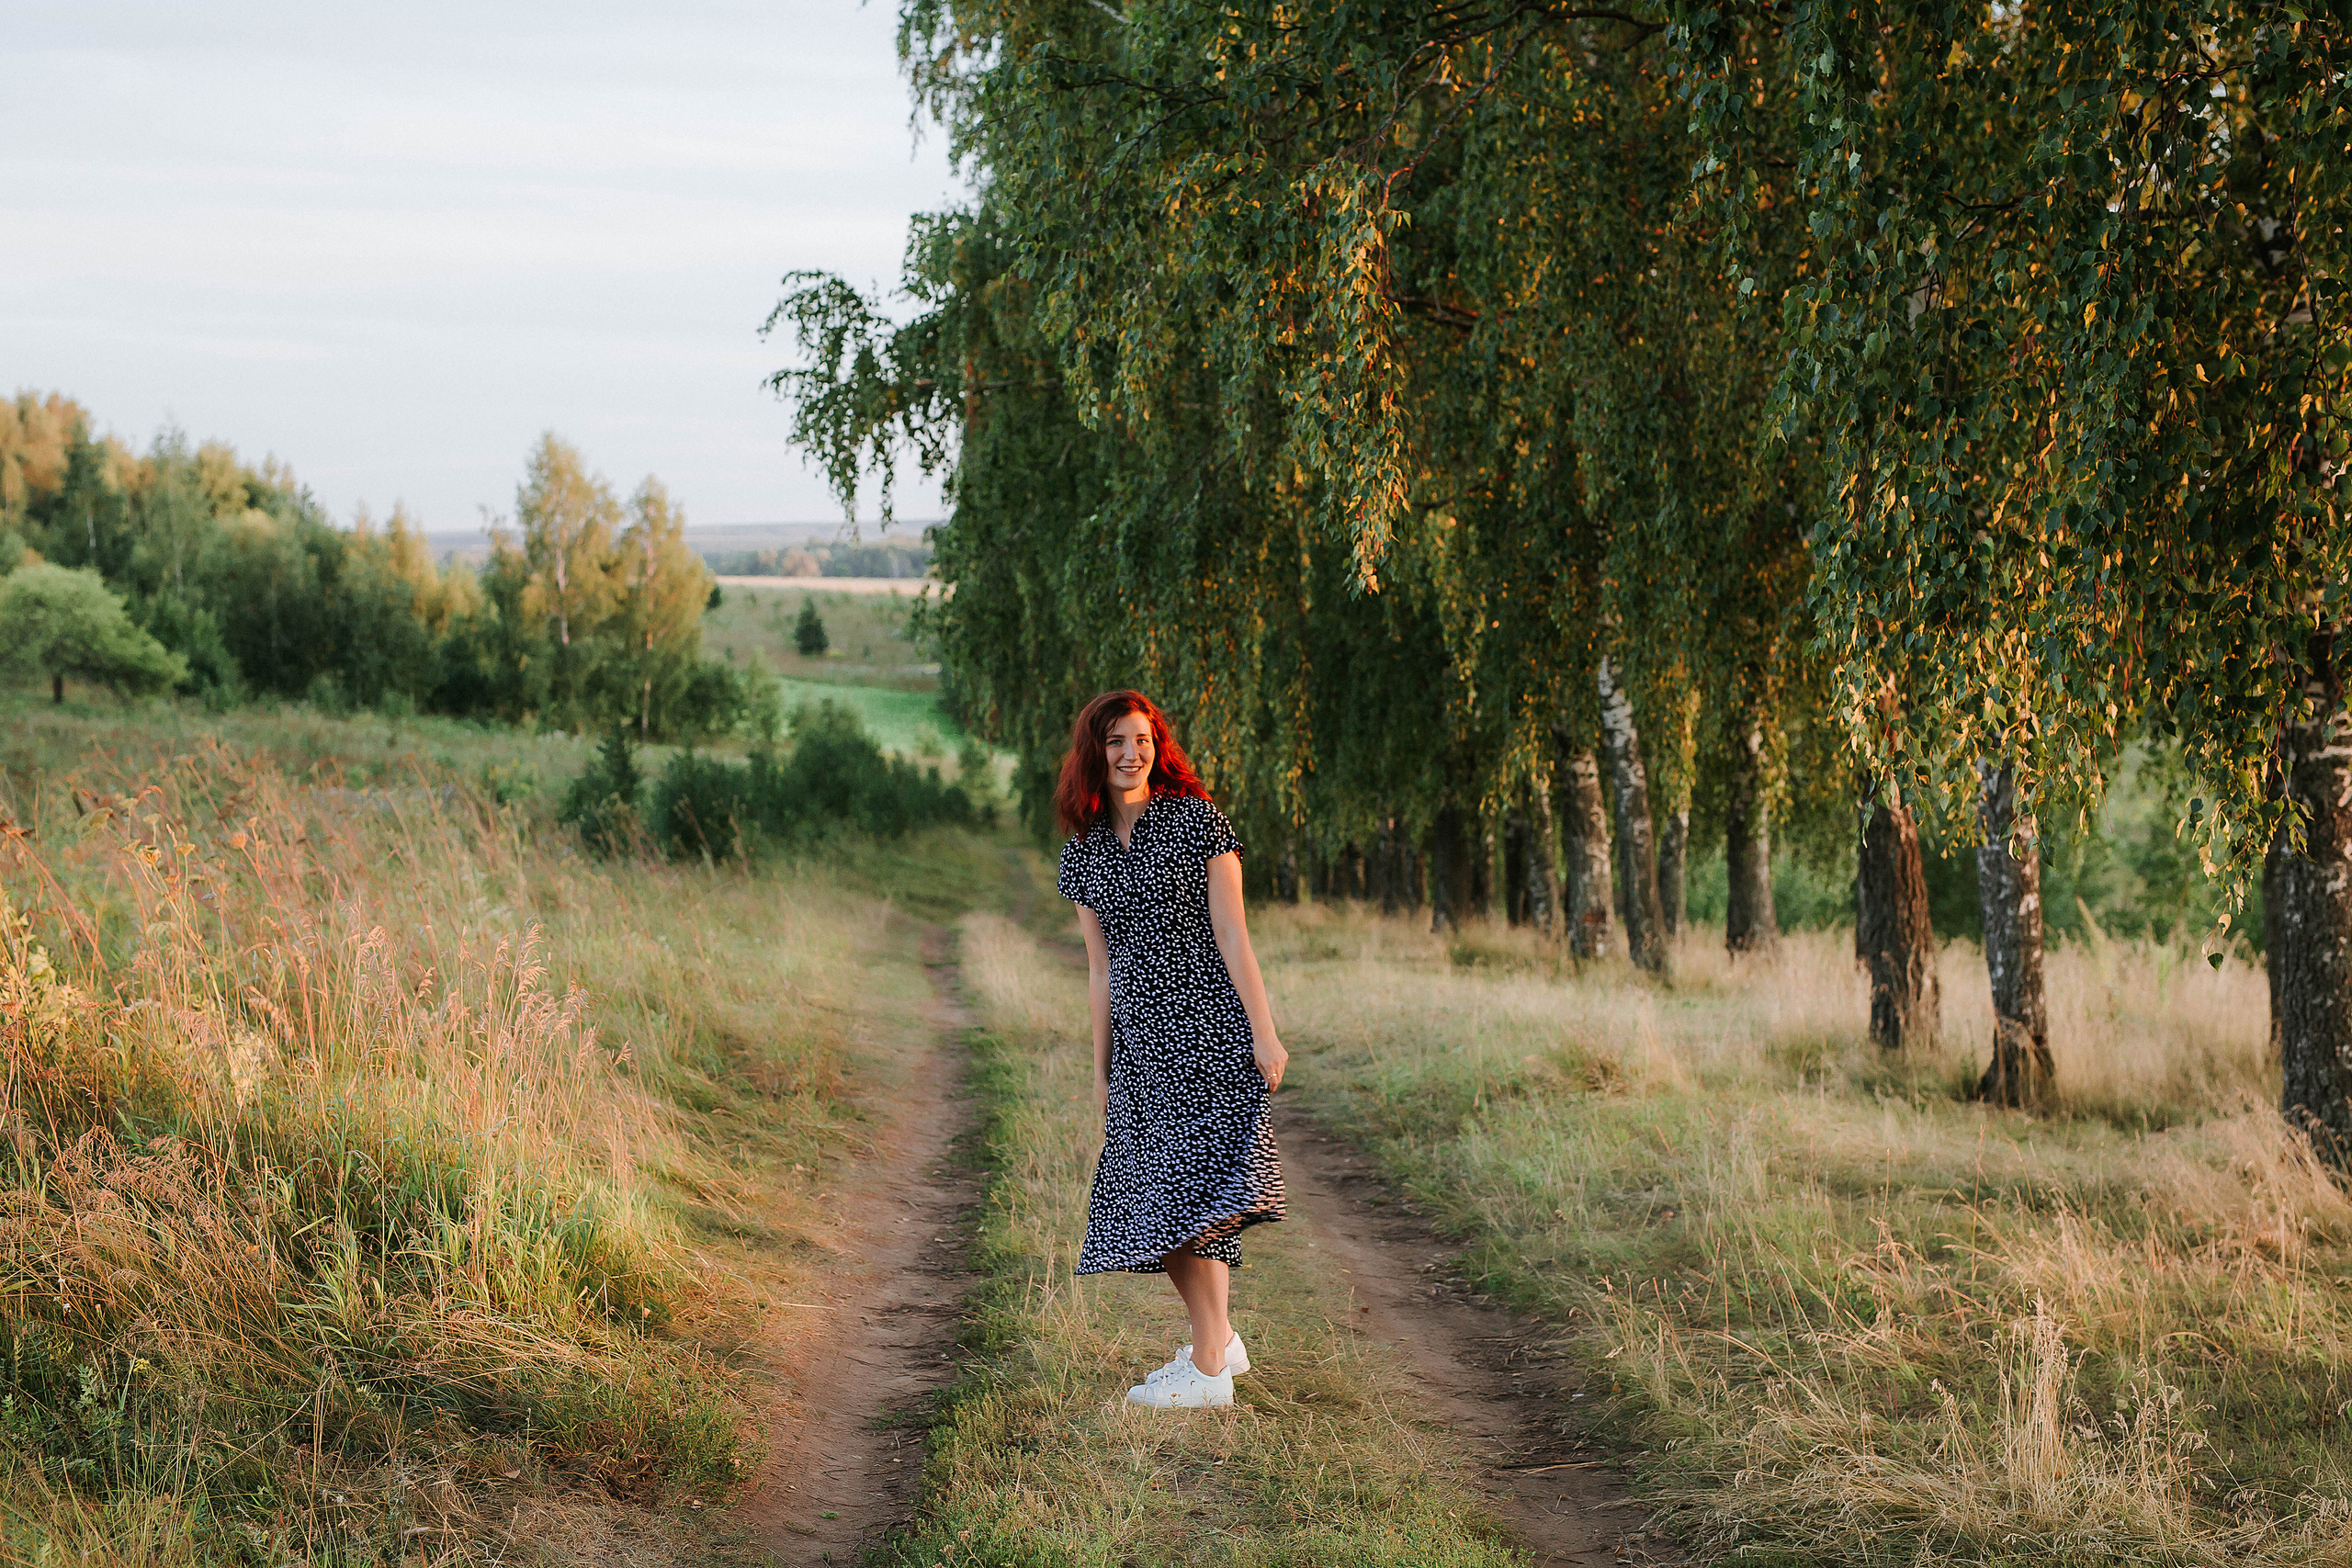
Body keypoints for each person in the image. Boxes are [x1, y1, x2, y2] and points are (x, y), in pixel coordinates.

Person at [1053, 689, 1287, 1410]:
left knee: (1196, 1192)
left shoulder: (1196, 821)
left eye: (1143, 739)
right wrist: (1101, 1068)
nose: (1131, 753)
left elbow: (1233, 935)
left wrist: (1264, 1028)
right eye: (1117, 741)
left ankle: (1211, 1365)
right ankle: (1218, 1341)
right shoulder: (1083, 854)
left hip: (1207, 1031)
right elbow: (1100, 968)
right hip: (1143, 1046)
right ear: (1095, 752)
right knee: (1159, 1196)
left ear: (1159, 746)